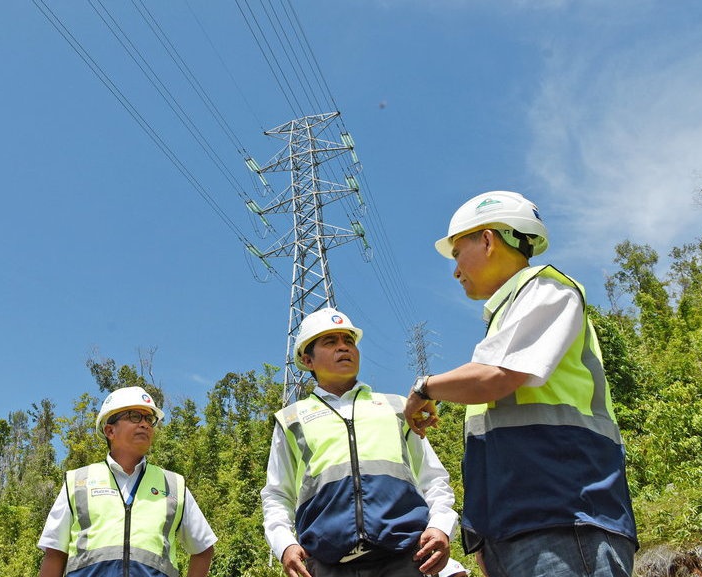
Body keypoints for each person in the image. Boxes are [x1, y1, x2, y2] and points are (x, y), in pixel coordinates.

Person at [403, 190, 637, 577]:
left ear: (488, 240)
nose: (456, 270)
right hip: (518, 532)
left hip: (566, 519)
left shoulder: (547, 290)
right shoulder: (510, 317)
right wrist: (485, 538)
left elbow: (496, 377)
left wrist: (424, 388)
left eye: (457, 253)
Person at [261, 307, 458, 577]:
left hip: (405, 558)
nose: (344, 347)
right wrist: (284, 544)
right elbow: (276, 494)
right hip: (328, 564)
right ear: (308, 360)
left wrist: (441, 526)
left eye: (349, 341)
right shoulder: (291, 420)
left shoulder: (398, 407)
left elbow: (432, 478)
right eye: (330, 342)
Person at [38, 386, 217, 577]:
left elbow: (203, 549)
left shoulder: (173, 485)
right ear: (110, 430)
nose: (145, 424)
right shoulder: (78, 481)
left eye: (149, 419)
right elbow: (55, 554)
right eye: (135, 416)